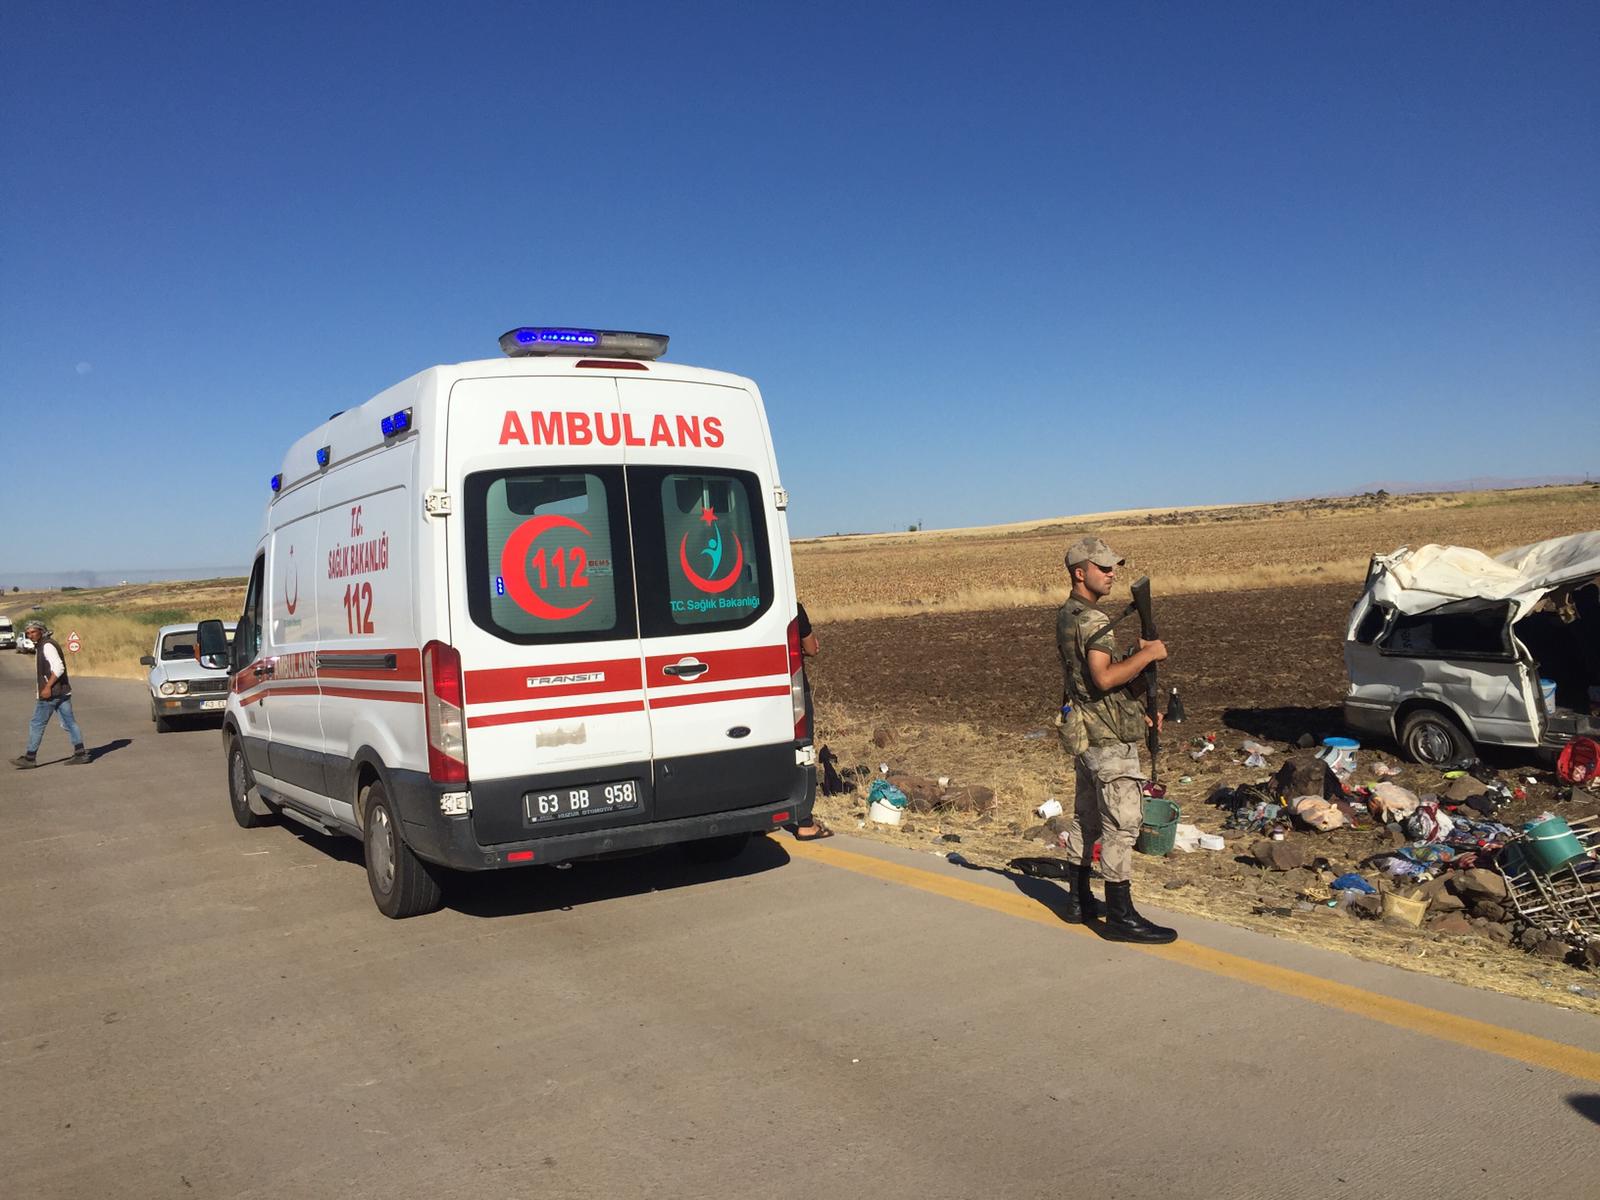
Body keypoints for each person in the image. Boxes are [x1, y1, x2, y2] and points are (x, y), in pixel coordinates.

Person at [1055, 537, 1174, 943]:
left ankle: (1078, 901)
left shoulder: (1068, 614)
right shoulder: (1091, 619)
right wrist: (1148, 655)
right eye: (1103, 568)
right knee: (1121, 827)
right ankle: (1121, 917)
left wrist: (1137, 696)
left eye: (1112, 567)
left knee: (1086, 820)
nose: (1111, 574)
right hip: (1108, 743)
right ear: (1080, 572)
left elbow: (1091, 685)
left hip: (1087, 735)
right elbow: (1104, 678)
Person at [12, 619, 91, 768]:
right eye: (28, 633)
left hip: (52, 694)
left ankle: (30, 758)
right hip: (62, 692)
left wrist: (47, 687)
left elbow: (58, 668)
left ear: (41, 631)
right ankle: (80, 753)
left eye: (33, 632)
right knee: (69, 723)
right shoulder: (44, 644)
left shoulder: (47, 645)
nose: (30, 635)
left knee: (36, 723)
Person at [790, 601, 832, 841]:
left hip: (763, 689)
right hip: (794, 689)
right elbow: (812, 648)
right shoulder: (793, 608)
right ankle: (805, 822)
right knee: (802, 749)